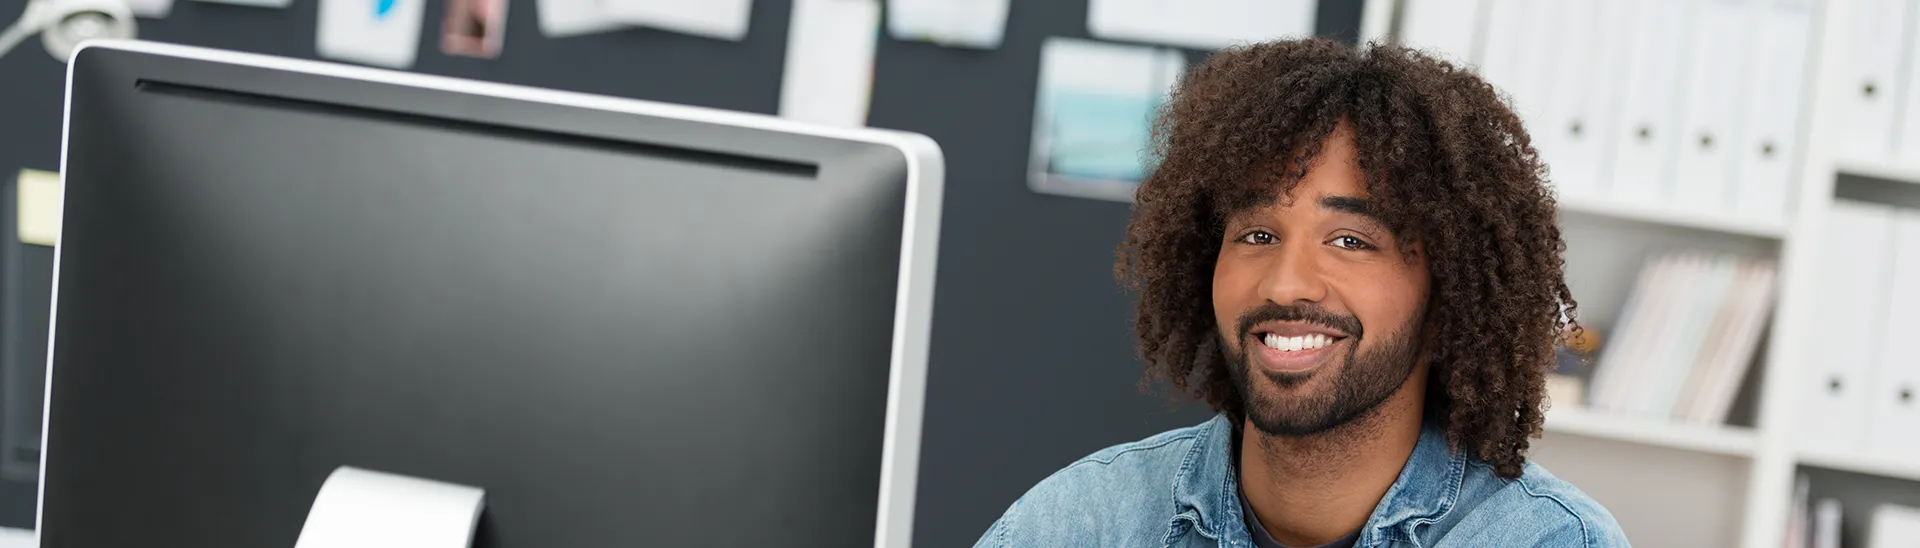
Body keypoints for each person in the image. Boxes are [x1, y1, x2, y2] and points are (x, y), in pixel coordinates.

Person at [974, 38, 1629, 548]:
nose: (1286, 281)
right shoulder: (1086, 520)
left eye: (1350, 241)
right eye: (1257, 233)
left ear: (1446, 301)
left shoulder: (1547, 539)